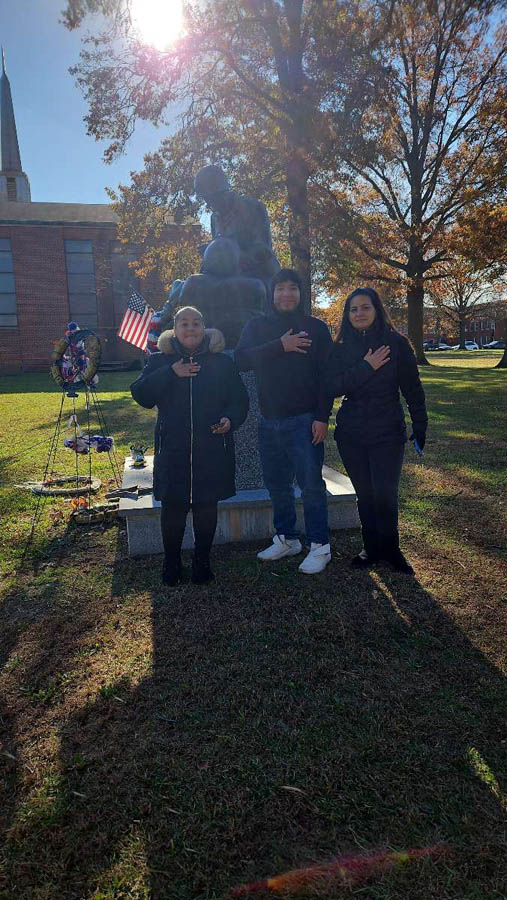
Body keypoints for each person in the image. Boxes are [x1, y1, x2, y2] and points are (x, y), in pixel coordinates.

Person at [131, 306, 249, 586]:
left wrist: (230, 419)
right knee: (173, 508)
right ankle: (171, 562)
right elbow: (141, 394)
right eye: (184, 323)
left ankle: (202, 561)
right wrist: (171, 373)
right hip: (173, 449)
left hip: (211, 449)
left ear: (204, 328)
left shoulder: (222, 362)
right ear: (174, 330)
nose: (190, 328)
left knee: (206, 507)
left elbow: (239, 400)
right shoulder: (160, 361)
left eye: (196, 323)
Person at [235, 268, 334, 574]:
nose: (286, 294)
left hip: (305, 421)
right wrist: (280, 345)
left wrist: (322, 417)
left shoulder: (316, 328)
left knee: (311, 486)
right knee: (277, 485)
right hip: (268, 421)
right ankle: (287, 538)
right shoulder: (257, 325)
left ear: (301, 294)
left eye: (292, 288)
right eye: (280, 288)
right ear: (272, 293)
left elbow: (327, 377)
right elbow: (241, 360)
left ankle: (320, 545)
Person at [325, 287, 428, 575]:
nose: (359, 313)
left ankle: (391, 549)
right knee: (365, 493)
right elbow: (332, 386)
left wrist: (420, 423)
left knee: (385, 493)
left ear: (377, 310)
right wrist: (366, 367)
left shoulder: (397, 343)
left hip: (387, 431)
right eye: (353, 309)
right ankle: (370, 547)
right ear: (347, 315)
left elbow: (412, 388)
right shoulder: (340, 347)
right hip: (351, 433)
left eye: (365, 307)